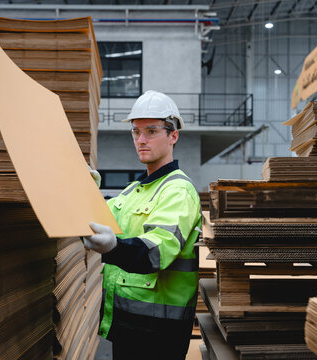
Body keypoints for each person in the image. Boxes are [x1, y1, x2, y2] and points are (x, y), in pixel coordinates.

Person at [83, 90, 202, 360]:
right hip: (127, 325)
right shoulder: (135, 190)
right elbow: (100, 214)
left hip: (159, 335)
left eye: (151, 131)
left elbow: (157, 251)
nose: (140, 140)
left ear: (173, 136)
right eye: (136, 132)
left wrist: (113, 247)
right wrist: (84, 188)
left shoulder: (178, 190)